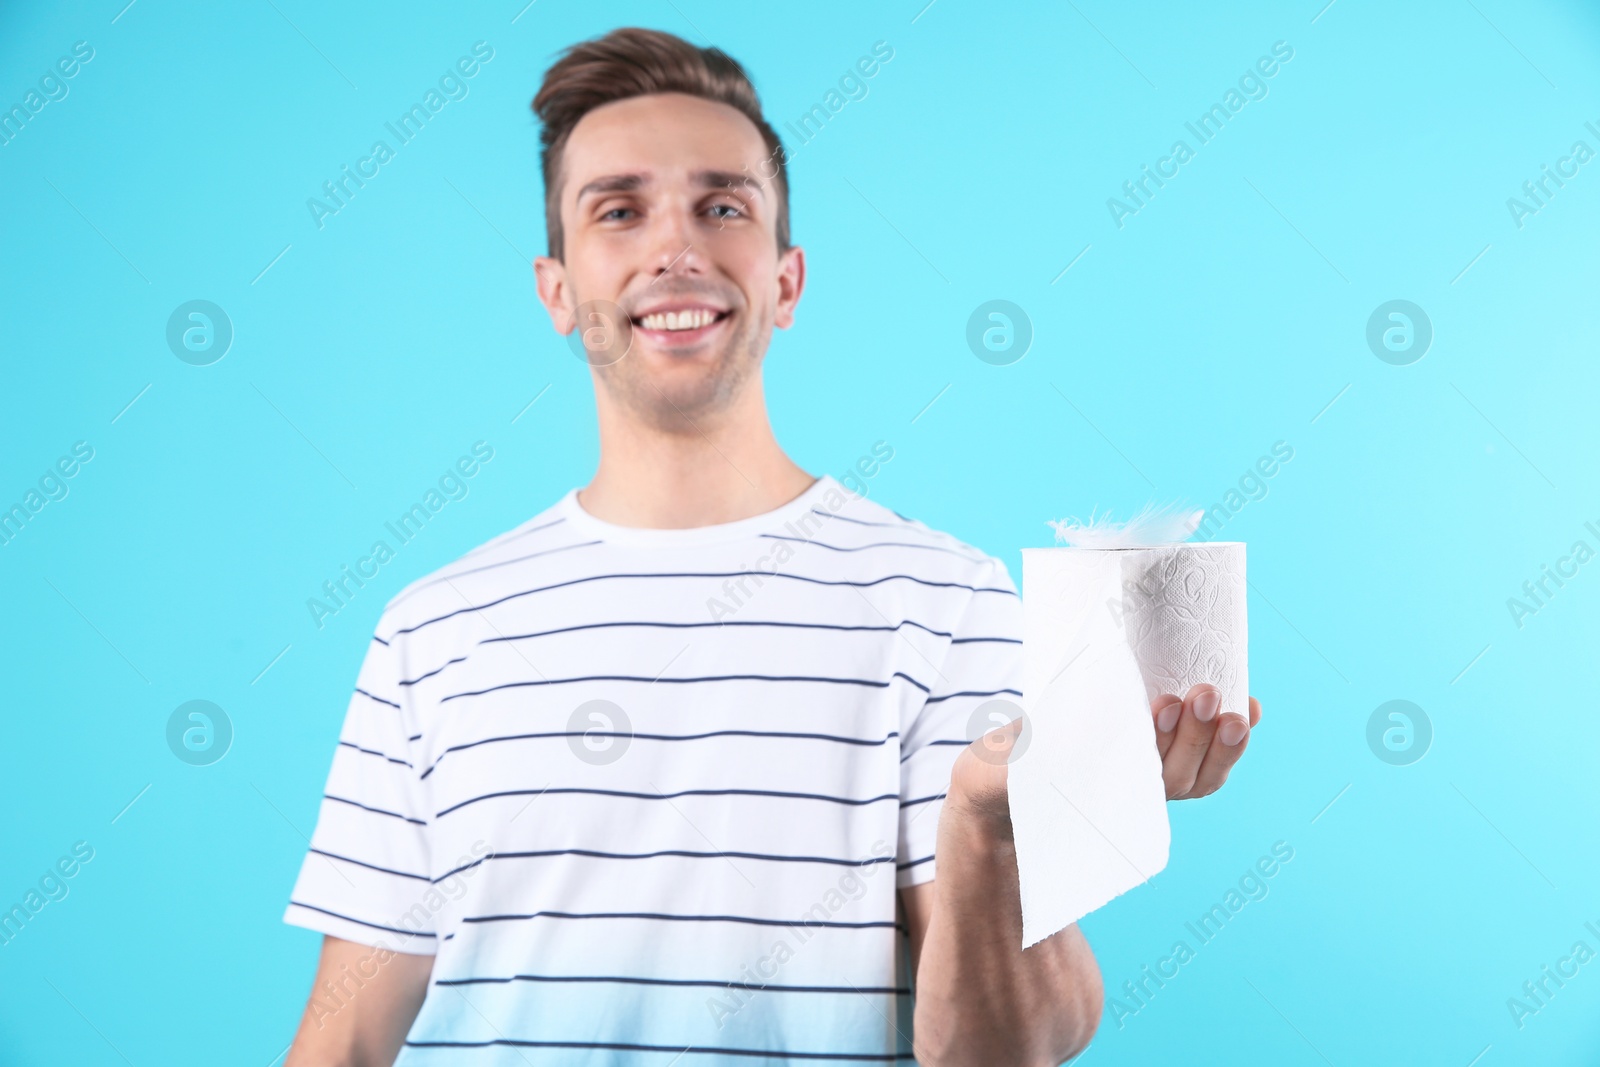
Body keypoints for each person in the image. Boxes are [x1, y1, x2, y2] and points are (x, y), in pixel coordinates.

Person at [282, 27, 1260, 1066]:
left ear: (787, 280)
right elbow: (344, 1034)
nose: (677, 248)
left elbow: (999, 1049)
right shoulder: (431, 630)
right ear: (556, 286)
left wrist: (990, 825)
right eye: (617, 210)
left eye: (723, 207)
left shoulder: (943, 602)